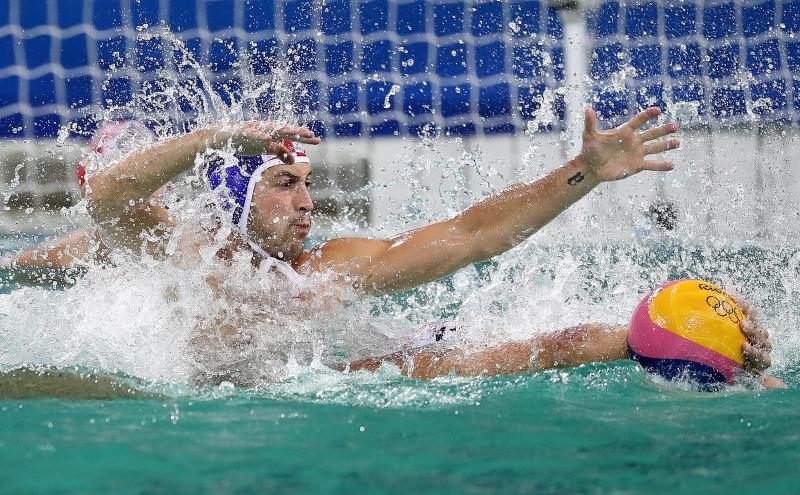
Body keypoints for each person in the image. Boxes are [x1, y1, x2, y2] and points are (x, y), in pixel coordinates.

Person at [19, 108, 787, 387]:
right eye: (284, 182)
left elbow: (469, 236)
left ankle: (695, 345)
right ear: (234, 193)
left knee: (535, 345)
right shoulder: (181, 257)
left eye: (306, 184)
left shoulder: (329, 269)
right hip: (254, 391)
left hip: (339, 370)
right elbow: (107, 198)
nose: (308, 201)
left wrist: (586, 170)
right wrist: (213, 138)